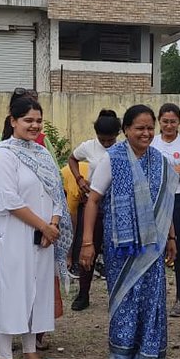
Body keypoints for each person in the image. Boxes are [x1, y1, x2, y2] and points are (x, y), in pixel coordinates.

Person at [79, 104, 178, 359]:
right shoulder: (112, 159)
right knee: (125, 299)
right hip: (121, 247)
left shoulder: (160, 162)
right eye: (139, 128)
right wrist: (87, 242)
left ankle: (148, 358)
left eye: (150, 128)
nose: (146, 133)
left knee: (152, 301)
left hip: (153, 246)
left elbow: (165, 205)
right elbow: (93, 201)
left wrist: (171, 237)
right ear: (126, 130)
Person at [0, 95, 72, 359]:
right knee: (11, 294)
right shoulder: (2, 155)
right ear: (13, 121)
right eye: (28, 120)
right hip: (10, 237)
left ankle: (31, 354)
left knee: (37, 292)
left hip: (42, 237)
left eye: (38, 120)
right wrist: (44, 226)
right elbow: (8, 199)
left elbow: (56, 192)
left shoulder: (42, 153)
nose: (34, 125)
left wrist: (53, 224)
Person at [67, 109, 121, 312]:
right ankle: (83, 293)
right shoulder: (89, 147)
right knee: (88, 247)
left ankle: (116, 295)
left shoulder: (124, 149)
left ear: (118, 135)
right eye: (102, 140)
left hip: (116, 205)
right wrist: (79, 179)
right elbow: (72, 159)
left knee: (115, 252)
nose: (106, 144)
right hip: (93, 204)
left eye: (110, 140)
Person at [151, 103, 180, 317]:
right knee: (155, 251)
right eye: (165, 121)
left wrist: (161, 170)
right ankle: (155, 298)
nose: (169, 126)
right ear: (159, 121)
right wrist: (173, 169)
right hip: (156, 201)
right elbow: (146, 172)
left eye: (173, 121)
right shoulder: (152, 142)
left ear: (179, 122)